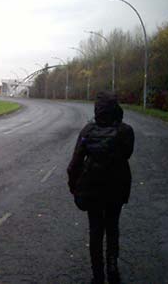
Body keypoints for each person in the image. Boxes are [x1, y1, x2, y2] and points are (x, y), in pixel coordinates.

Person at [67, 92, 134, 284]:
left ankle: (98, 276)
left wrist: (74, 186)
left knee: (95, 230)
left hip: (93, 188)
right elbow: (127, 153)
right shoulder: (126, 131)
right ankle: (112, 269)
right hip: (117, 187)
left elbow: (75, 164)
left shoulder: (88, 131)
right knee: (113, 227)